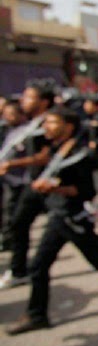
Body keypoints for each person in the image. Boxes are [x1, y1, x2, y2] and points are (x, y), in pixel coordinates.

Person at [5, 105, 98, 335]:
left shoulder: (80, 154)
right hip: (58, 216)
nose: (47, 127)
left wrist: (54, 188)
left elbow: (86, 191)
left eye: (52, 122)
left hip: (73, 218)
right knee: (39, 266)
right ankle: (36, 314)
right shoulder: (57, 148)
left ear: (68, 126)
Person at [0, 83, 55, 289]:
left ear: (43, 102)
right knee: (18, 224)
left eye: (29, 97)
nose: (23, 100)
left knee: (71, 232)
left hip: (50, 186)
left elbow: (45, 157)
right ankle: (19, 270)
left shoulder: (50, 123)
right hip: (33, 185)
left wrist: (12, 164)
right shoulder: (34, 123)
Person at [0, 103, 28, 251]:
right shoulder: (10, 131)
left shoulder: (26, 132)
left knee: (15, 215)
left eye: (11, 114)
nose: (7, 118)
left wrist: (10, 164)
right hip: (8, 179)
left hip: (21, 180)